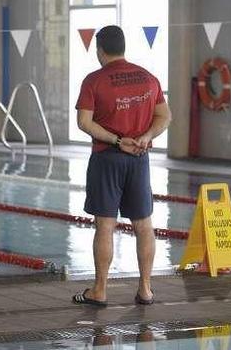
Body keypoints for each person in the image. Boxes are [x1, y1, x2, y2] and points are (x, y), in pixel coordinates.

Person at [73, 25, 171, 307]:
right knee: (144, 225)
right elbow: (165, 116)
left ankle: (100, 291)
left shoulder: (94, 80)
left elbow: (84, 122)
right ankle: (146, 290)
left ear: (100, 49)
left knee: (105, 226)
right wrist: (145, 137)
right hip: (139, 158)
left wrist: (117, 140)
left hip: (107, 158)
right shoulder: (148, 77)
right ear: (124, 46)